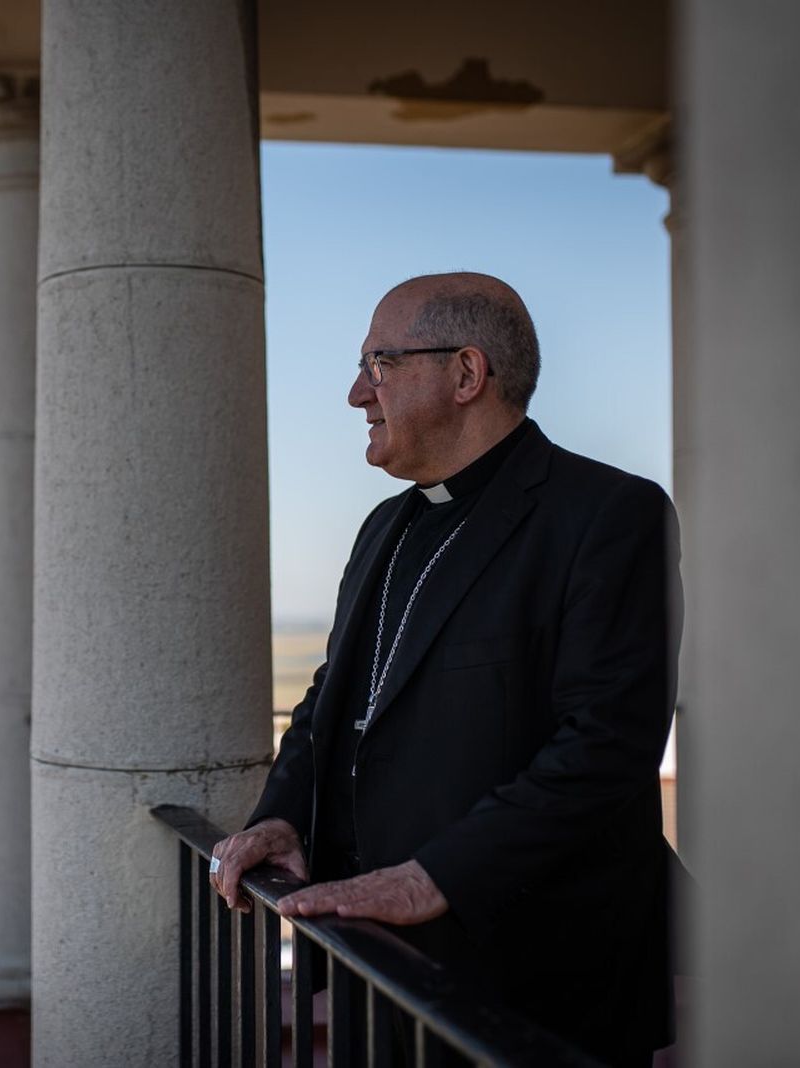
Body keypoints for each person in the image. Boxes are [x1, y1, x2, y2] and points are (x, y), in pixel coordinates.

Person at [209, 272, 681, 1066]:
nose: (357, 393)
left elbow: (605, 747)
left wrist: (429, 880)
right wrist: (285, 812)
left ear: (467, 374)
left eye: (379, 363)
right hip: (380, 962)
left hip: (533, 975)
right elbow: (335, 696)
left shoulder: (608, 514)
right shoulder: (382, 526)